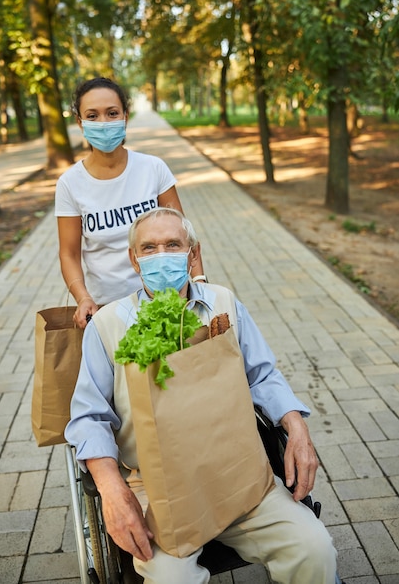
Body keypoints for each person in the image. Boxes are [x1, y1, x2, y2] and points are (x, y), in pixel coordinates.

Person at [65, 207, 338, 584]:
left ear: (192, 253)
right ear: (134, 259)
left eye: (173, 244)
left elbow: (262, 373)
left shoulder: (223, 303)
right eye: (149, 247)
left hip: (238, 473)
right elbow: (89, 417)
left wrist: (296, 427)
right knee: (169, 578)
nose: (162, 254)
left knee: (314, 549)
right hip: (156, 487)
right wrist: (112, 488)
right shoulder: (108, 325)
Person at [55, 77, 205, 328]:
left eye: (112, 113)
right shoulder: (70, 183)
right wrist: (83, 298)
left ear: (125, 115)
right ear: (80, 123)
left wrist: (199, 283)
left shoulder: (153, 169)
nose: (103, 123)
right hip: (108, 309)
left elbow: (184, 236)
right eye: (92, 116)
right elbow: (69, 253)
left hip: (167, 299)